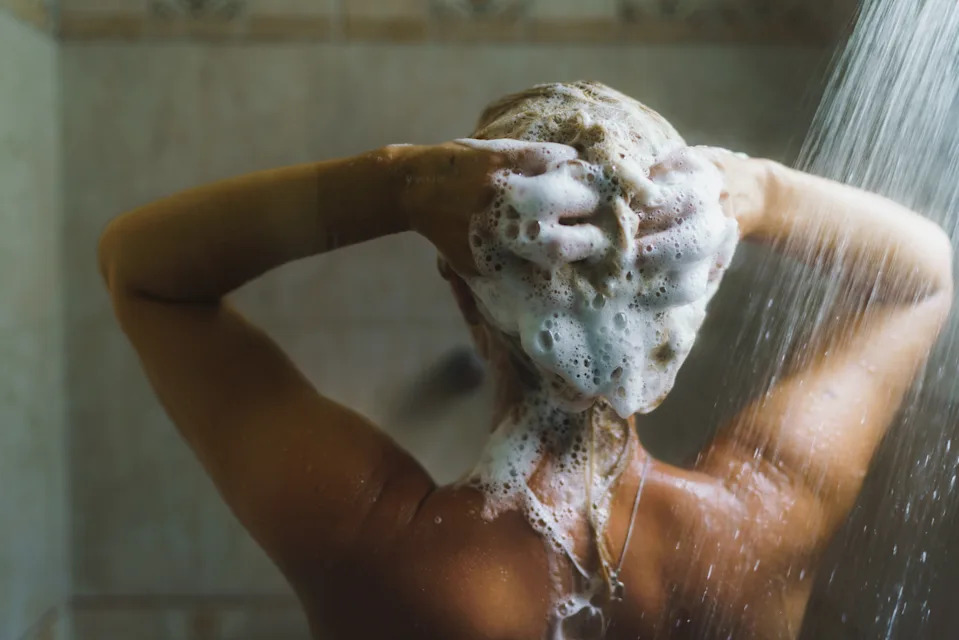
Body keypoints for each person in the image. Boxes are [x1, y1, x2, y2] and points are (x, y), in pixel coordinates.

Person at [97, 82, 953, 639]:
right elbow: (922, 276)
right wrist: (747, 189)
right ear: (678, 305)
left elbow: (143, 273)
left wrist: (400, 184)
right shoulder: (763, 517)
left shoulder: (375, 546)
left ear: (464, 294)